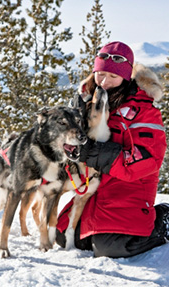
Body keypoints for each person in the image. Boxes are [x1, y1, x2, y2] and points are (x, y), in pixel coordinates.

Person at [56, 41, 169, 258]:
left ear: (126, 77)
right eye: (100, 74)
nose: (105, 82)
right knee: (63, 236)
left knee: (110, 247)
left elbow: (147, 160)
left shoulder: (144, 110)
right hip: (94, 189)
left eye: (113, 76)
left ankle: (162, 220)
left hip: (130, 189)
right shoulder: (86, 100)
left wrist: (94, 152)